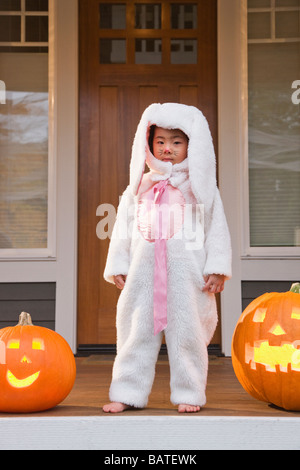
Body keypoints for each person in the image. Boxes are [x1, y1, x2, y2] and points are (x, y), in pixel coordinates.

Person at [102, 103, 232, 413]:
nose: (167, 149)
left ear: (192, 145)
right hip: (142, 276)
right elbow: (122, 228)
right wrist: (118, 264)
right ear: (147, 144)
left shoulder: (200, 189)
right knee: (135, 332)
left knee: (188, 335)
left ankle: (189, 393)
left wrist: (217, 267)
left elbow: (217, 228)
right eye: (160, 141)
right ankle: (127, 391)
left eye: (176, 142)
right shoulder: (138, 188)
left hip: (187, 279)